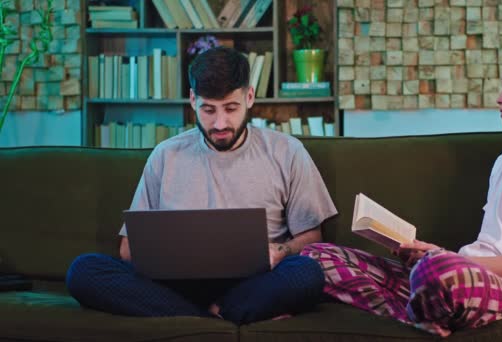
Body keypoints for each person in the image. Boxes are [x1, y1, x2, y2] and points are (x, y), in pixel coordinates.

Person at [301, 49, 502, 337]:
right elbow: (486, 246)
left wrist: (446, 260)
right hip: (460, 280)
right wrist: (433, 256)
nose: (499, 97)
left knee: (434, 271)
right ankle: (419, 318)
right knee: (316, 257)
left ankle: (423, 309)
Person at [66, 46, 337, 324]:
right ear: (193, 100)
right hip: (179, 285)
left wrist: (280, 251)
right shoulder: (166, 154)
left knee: (306, 274)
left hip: (256, 282)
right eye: (208, 109)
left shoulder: (287, 151)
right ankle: (220, 316)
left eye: (231, 108)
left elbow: (312, 238)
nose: (220, 123)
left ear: (250, 97)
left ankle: (196, 317)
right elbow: (127, 249)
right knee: (84, 270)